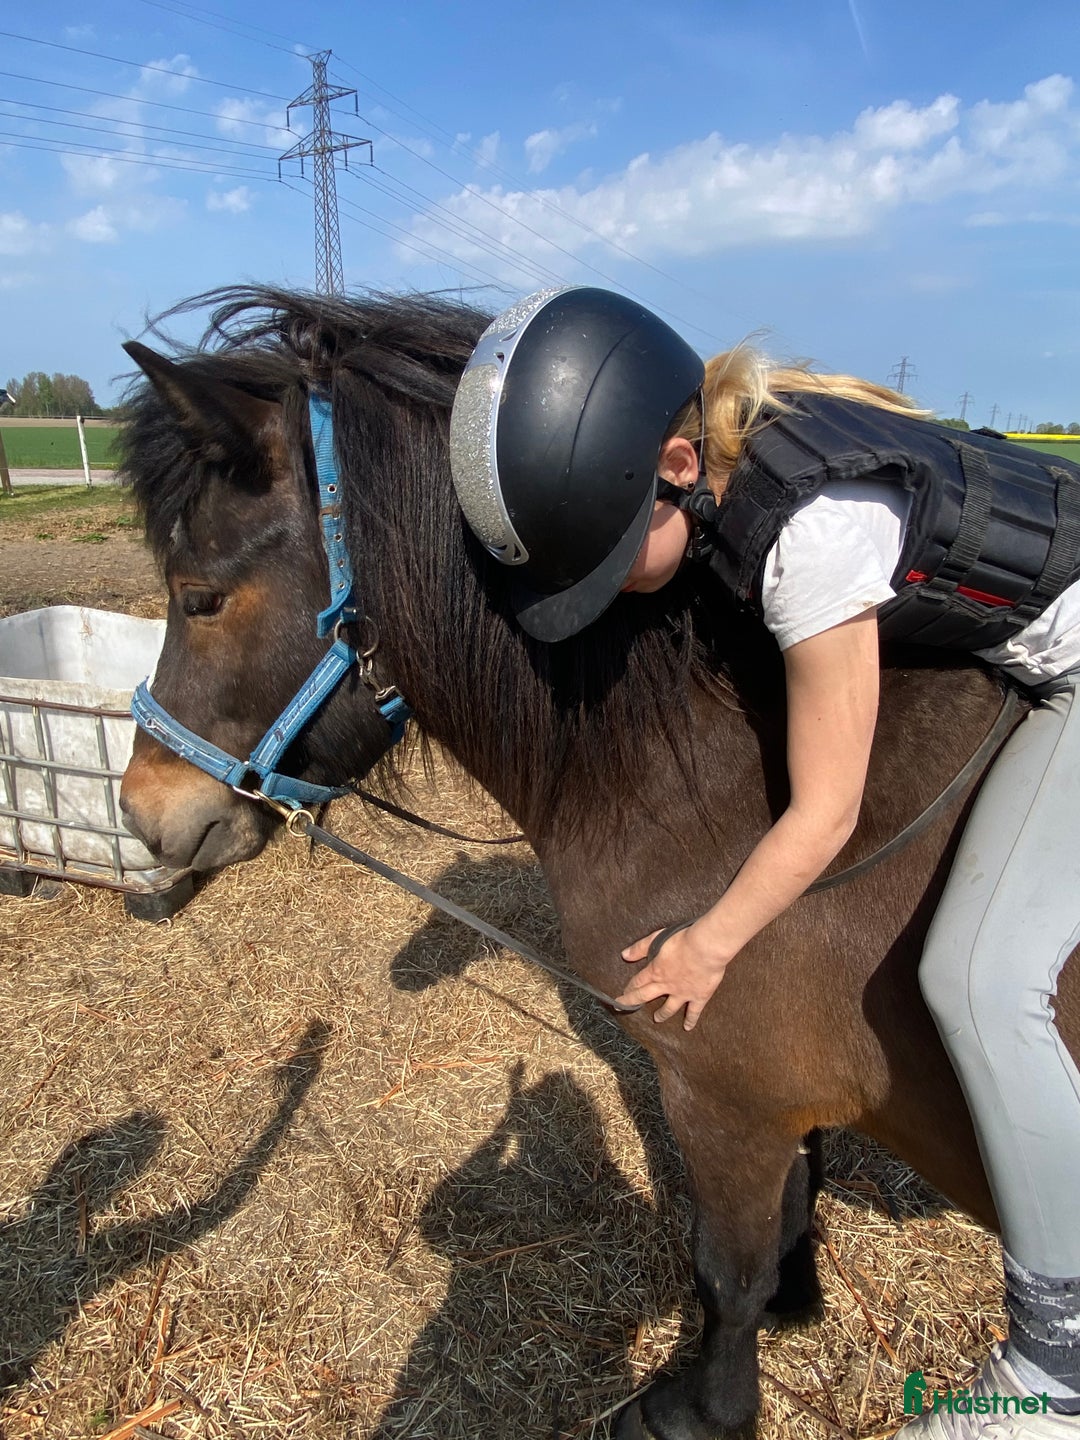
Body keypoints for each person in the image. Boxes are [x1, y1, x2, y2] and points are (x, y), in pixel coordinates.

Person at [448, 286, 1080, 1437]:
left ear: (680, 461)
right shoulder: (746, 447)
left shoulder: (811, 544)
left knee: (984, 976)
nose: (608, 593)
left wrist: (709, 943)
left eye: (608, 556)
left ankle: (1059, 1349)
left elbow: (827, 816)